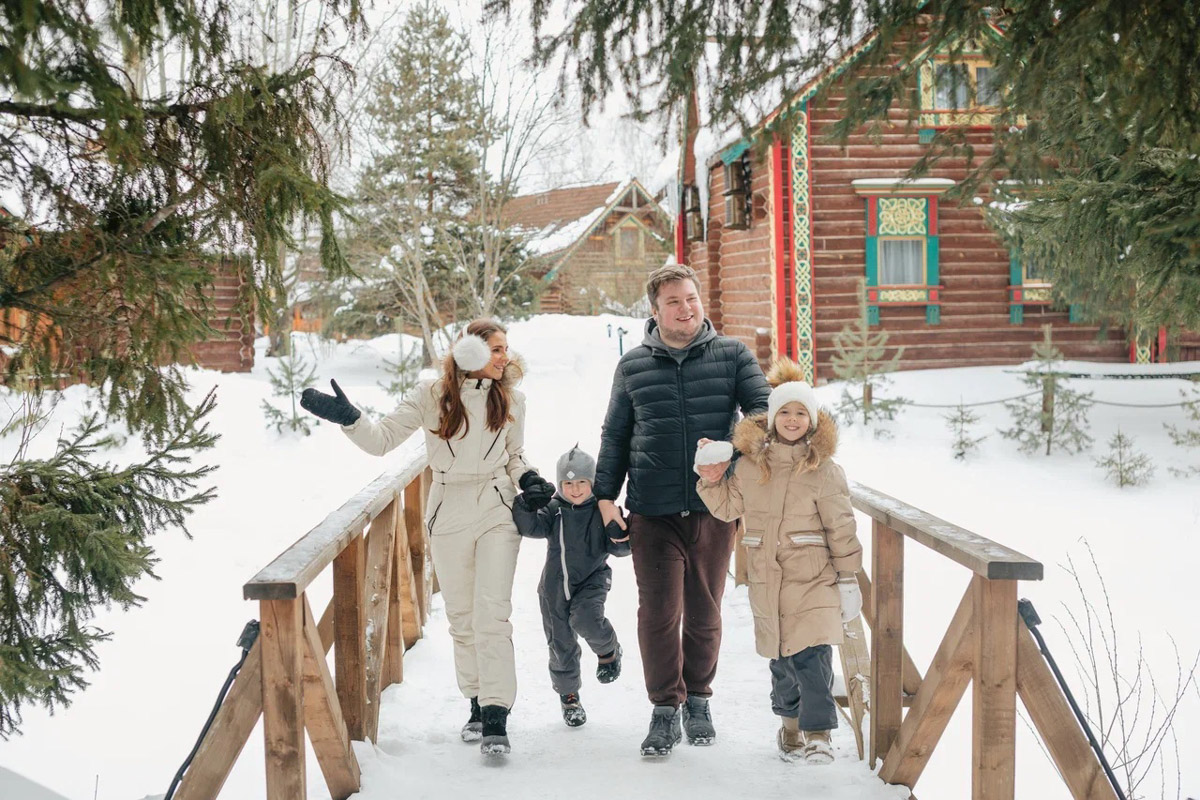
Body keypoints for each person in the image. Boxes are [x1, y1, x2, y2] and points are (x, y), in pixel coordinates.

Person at [299, 318, 556, 756]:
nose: (504, 358)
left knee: (492, 613)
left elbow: (514, 454)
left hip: (496, 508)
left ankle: (496, 714)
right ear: (470, 353)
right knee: (462, 616)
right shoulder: (429, 396)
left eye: (506, 349)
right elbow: (381, 441)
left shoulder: (513, 398)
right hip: (449, 507)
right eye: (495, 349)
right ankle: (475, 702)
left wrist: (529, 478)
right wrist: (350, 418)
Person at [594, 262, 771, 757]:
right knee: (658, 612)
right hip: (652, 509)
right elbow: (615, 435)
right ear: (655, 310)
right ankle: (664, 708)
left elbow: (764, 414)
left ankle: (698, 698)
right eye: (674, 301)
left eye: (691, 298)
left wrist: (730, 454)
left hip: (715, 507)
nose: (686, 308)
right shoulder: (632, 366)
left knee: (705, 611)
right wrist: (607, 499)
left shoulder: (732, 355)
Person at [695, 357, 863, 764]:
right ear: (771, 419)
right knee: (783, 659)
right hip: (768, 579)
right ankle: (789, 728)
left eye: (800, 412)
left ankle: (819, 734)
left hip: (814, 578)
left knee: (814, 656)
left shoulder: (824, 470)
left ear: (812, 419)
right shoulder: (752, 466)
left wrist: (847, 577)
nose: (792, 419)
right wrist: (710, 478)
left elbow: (841, 526)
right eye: (784, 412)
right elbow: (726, 509)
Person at [512, 445, 631, 727]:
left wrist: (619, 533)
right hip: (554, 587)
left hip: (592, 580)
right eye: (568, 483)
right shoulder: (554, 510)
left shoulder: (601, 510)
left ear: (592, 483)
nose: (575, 489)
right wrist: (525, 505)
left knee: (586, 619)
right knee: (560, 643)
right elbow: (531, 528)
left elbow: (622, 551)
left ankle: (609, 651)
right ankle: (569, 697)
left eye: (581, 482)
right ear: (560, 485)